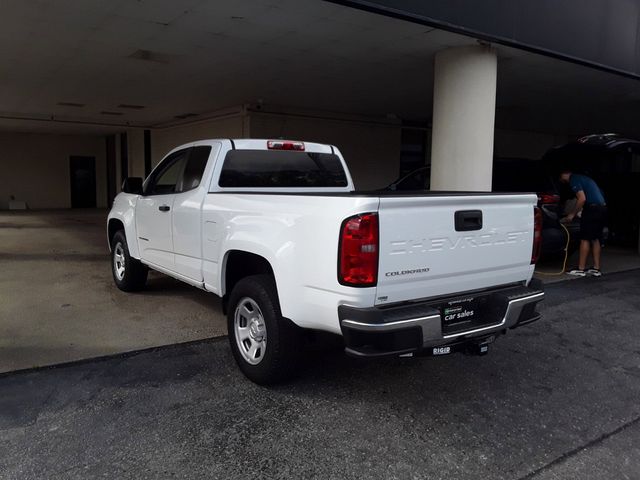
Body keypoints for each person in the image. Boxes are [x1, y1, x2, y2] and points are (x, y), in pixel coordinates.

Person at [559, 170, 607, 277]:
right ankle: (596, 268)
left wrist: (572, 214)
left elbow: (582, 199)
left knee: (585, 238)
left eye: (560, 178)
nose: (561, 181)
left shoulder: (573, 179)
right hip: (602, 208)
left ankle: (580, 269)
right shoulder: (584, 178)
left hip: (592, 209)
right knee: (595, 238)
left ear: (563, 174)